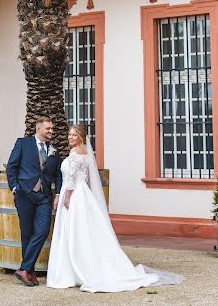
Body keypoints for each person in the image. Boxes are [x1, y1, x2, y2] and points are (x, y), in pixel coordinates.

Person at [46, 124, 161, 293]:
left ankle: (72, 269)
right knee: (85, 229)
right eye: (69, 134)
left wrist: (67, 197)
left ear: (81, 137)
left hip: (74, 195)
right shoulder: (85, 152)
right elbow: (83, 177)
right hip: (83, 193)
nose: (70, 137)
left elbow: (70, 179)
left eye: (74, 135)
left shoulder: (75, 153)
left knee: (73, 230)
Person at [6, 116, 62, 287]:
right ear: (39, 129)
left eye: (52, 128)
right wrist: (15, 187)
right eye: (48, 129)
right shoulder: (23, 143)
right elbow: (11, 166)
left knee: (43, 231)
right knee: (27, 233)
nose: (51, 131)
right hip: (24, 194)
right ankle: (29, 272)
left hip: (44, 197)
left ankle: (23, 268)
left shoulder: (54, 149)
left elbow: (59, 174)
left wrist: (58, 193)